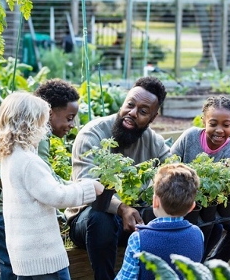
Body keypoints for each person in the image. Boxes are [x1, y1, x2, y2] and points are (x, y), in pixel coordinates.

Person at [0, 79, 82, 279]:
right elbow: (48, 182)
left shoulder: (18, 134)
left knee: (15, 258)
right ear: (50, 113)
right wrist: (79, 189)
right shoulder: (35, 137)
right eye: (69, 118)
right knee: (18, 257)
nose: (72, 125)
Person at [64, 76, 171, 280]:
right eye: (130, 105)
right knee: (100, 216)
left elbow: (173, 171)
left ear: (153, 117)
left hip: (132, 221)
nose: (132, 113)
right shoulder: (92, 134)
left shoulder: (153, 142)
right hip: (86, 222)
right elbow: (87, 190)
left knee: (163, 214)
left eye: (143, 111)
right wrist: (122, 208)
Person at [0, 91, 104, 279]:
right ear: (30, 125)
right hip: (44, 257)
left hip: (24, 256)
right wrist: (90, 187)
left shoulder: (11, 156)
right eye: (43, 123)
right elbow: (57, 196)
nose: (45, 129)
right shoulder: (29, 162)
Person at [170, 95, 230, 262]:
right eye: (213, 124)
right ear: (203, 121)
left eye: (226, 125)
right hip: (182, 199)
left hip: (212, 203)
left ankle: (213, 266)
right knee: (212, 227)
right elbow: (169, 164)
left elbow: (224, 188)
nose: (219, 130)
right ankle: (194, 265)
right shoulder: (190, 137)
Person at [115, 163, 204, 280]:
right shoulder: (198, 234)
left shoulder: (138, 239)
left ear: (155, 201)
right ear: (192, 207)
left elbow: (126, 278)